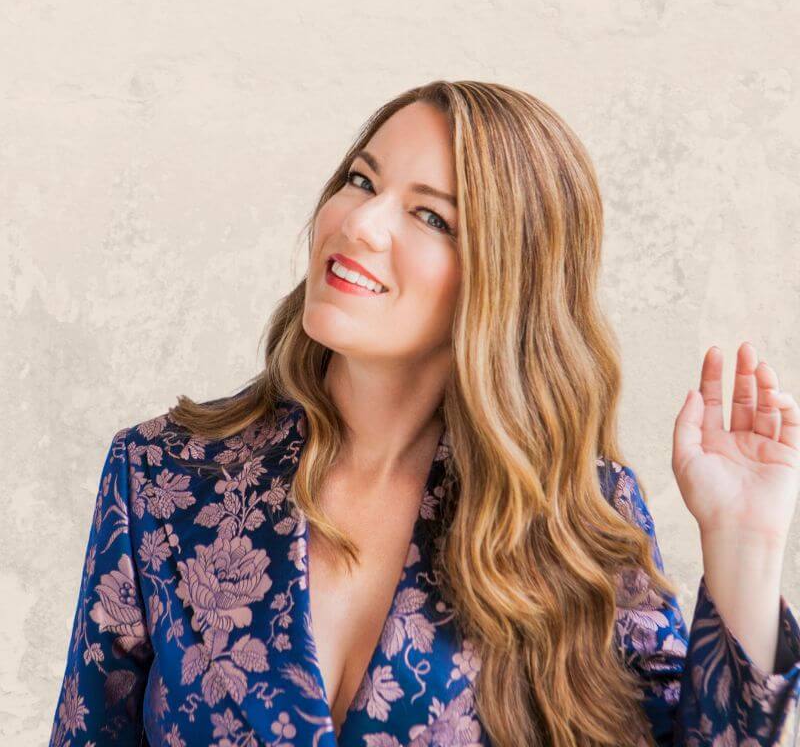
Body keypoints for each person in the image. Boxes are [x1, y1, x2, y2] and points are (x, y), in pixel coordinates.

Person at [49, 81, 800, 747]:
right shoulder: (163, 474)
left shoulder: (577, 515)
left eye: (432, 217)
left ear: (506, 280)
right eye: (361, 179)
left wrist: (744, 542)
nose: (361, 223)